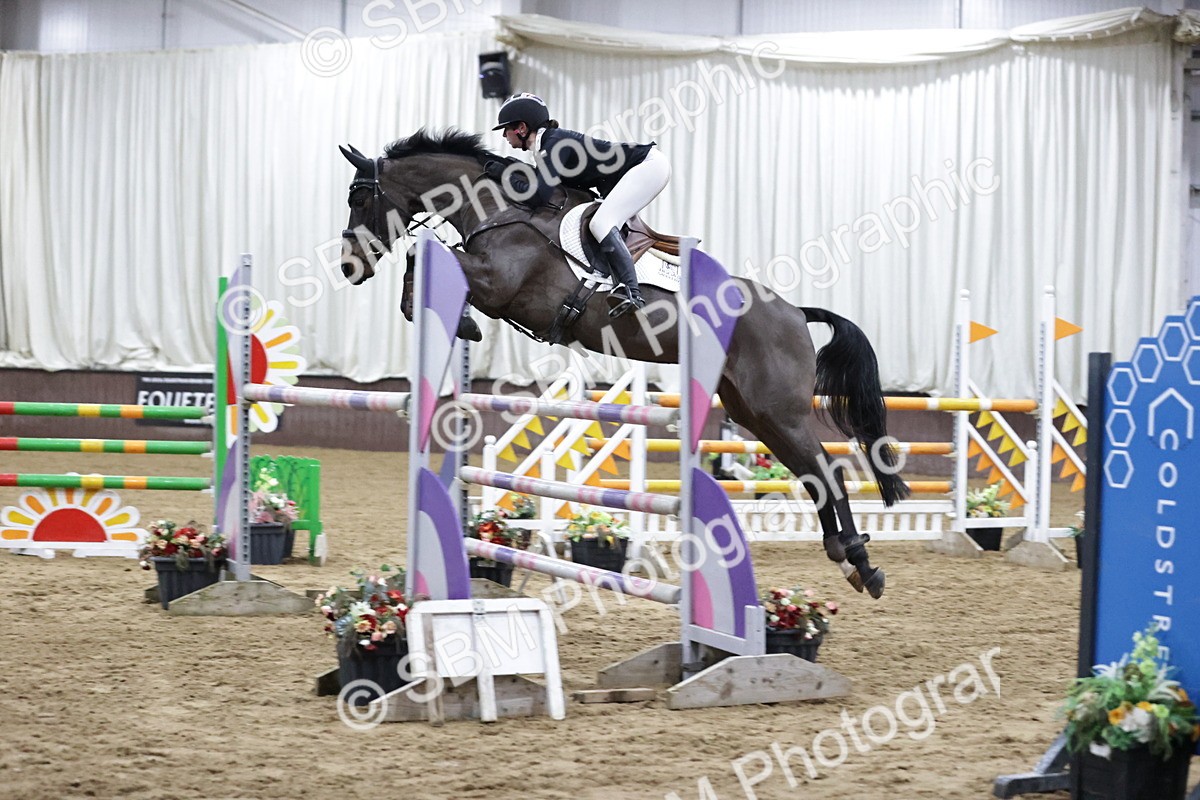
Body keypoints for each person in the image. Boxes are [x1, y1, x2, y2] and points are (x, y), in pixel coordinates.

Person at [486, 93, 670, 318]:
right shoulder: (548, 145)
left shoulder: (554, 144)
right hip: (642, 167)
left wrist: (503, 174)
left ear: (522, 128)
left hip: (648, 166)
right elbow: (539, 179)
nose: (504, 135)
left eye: (506, 129)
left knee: (601, 223)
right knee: (601, 221)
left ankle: (632, 293)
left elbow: (539, 196)